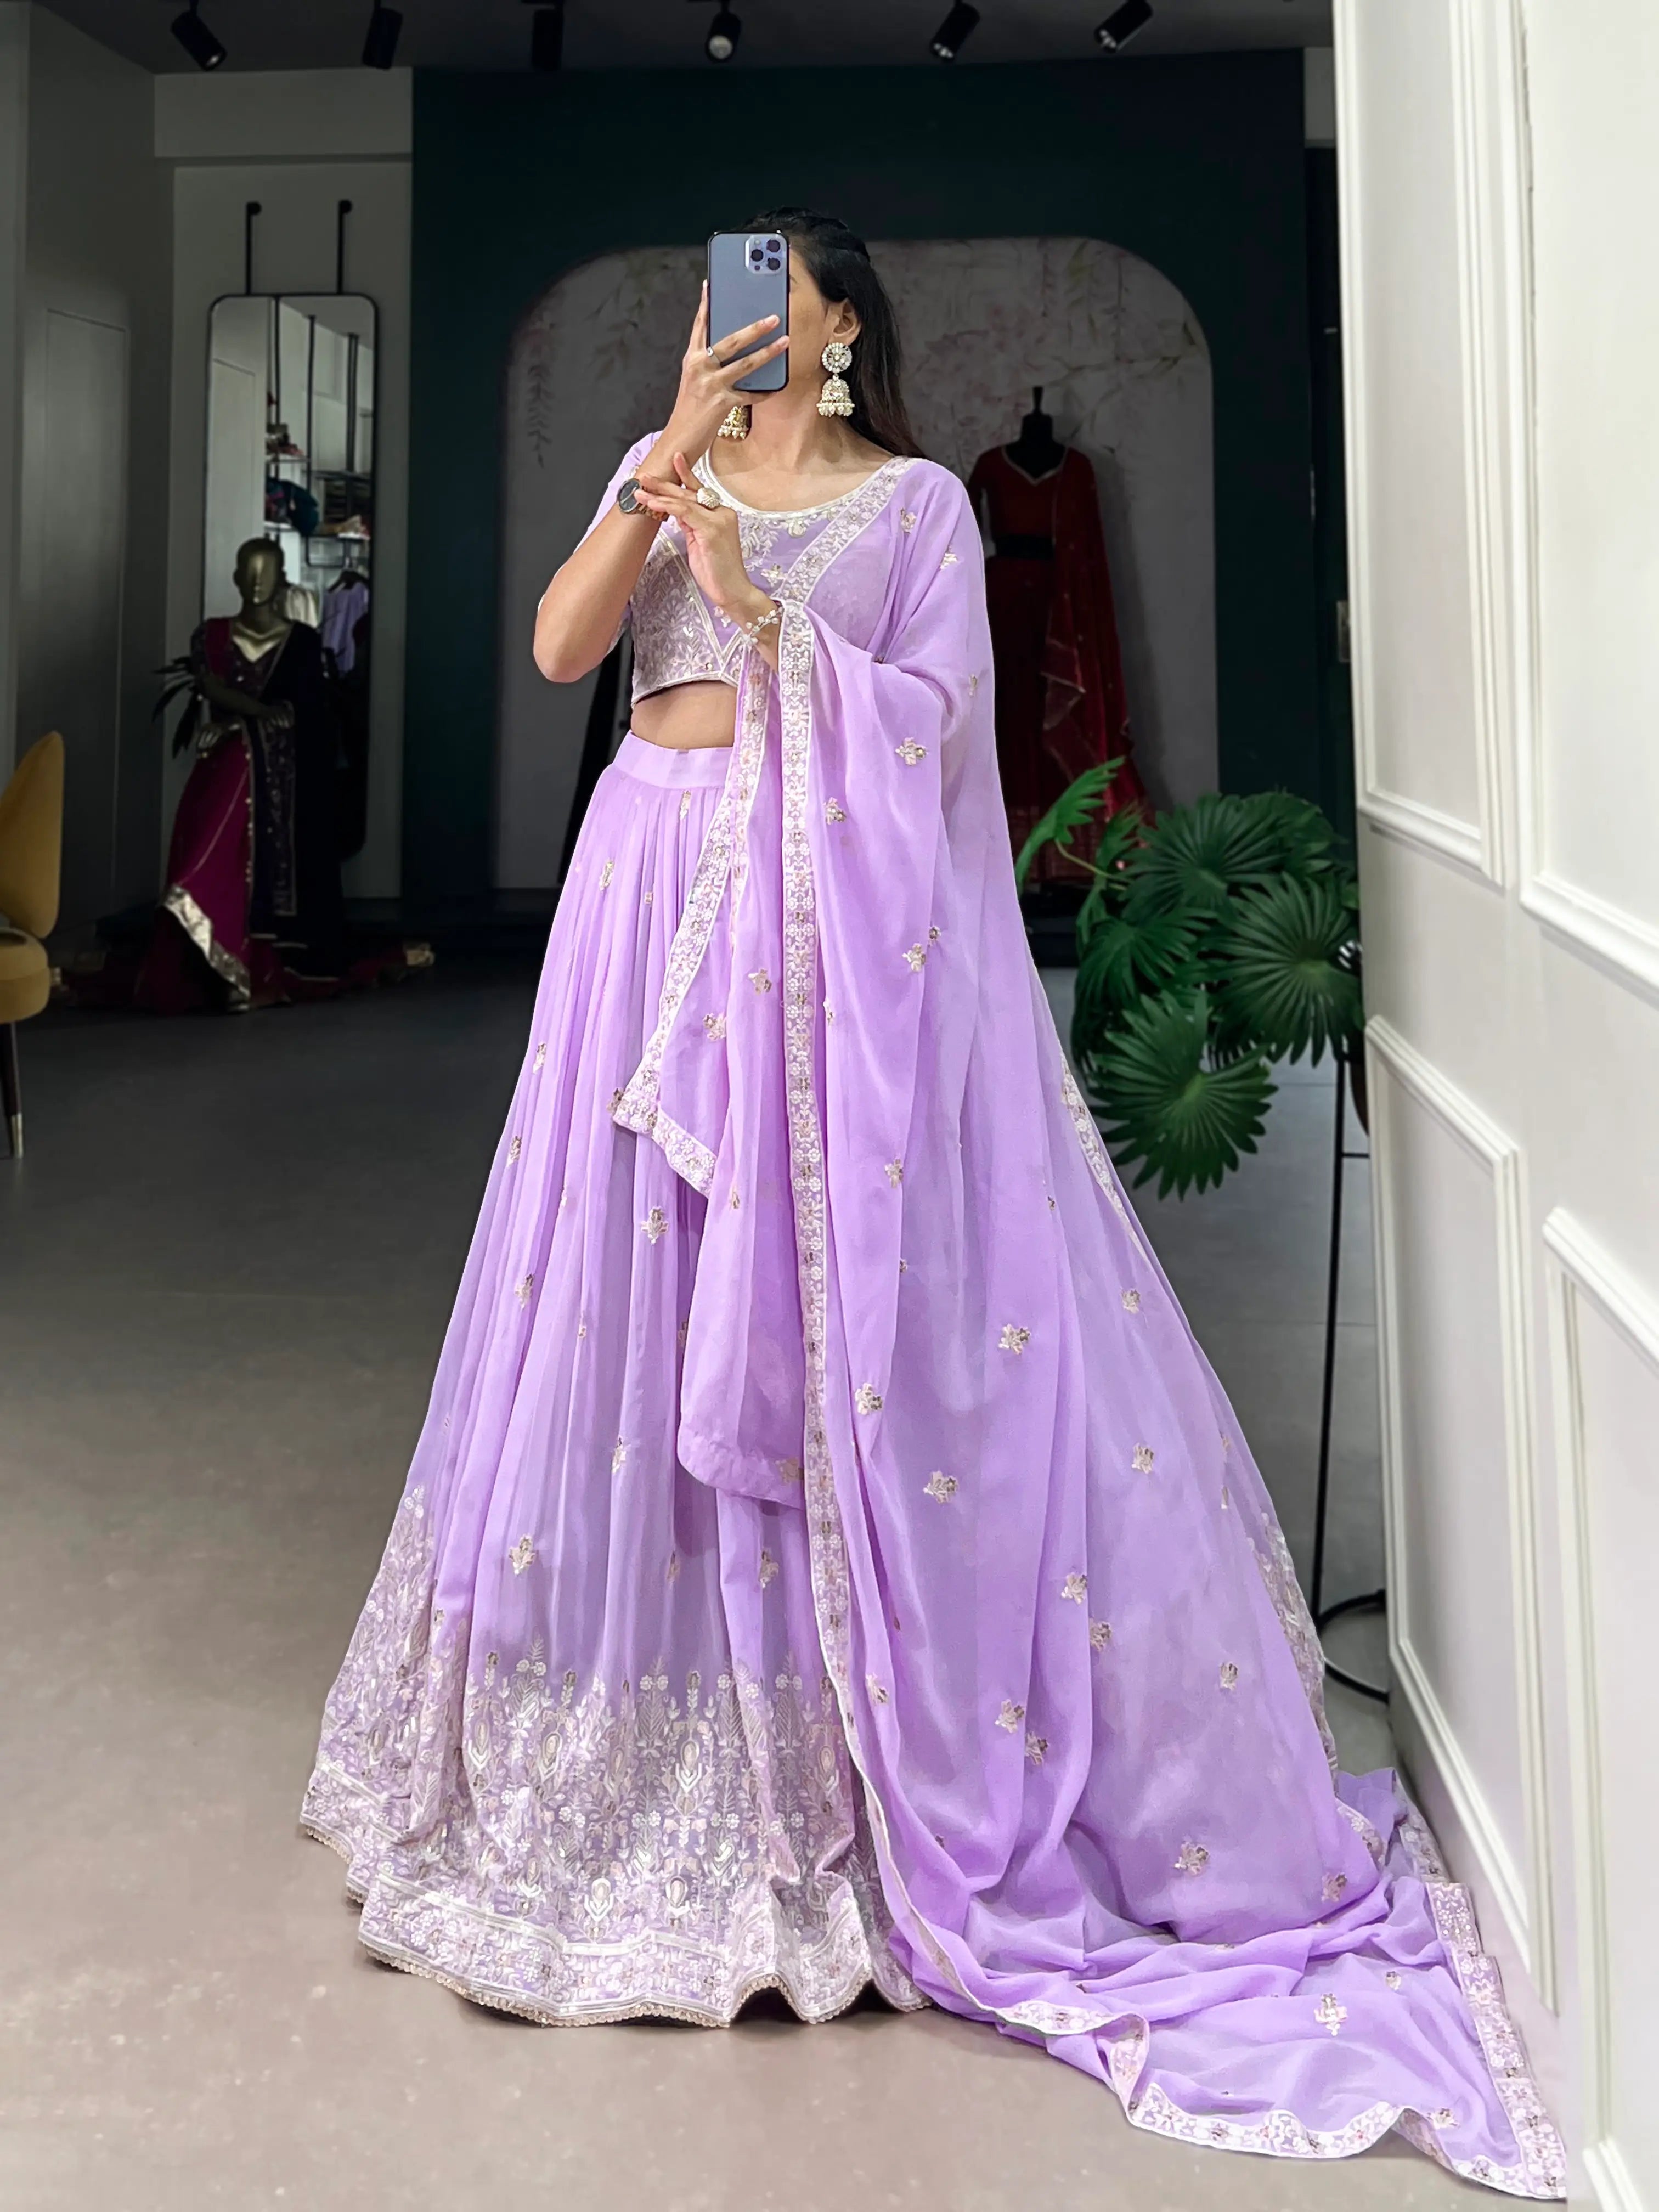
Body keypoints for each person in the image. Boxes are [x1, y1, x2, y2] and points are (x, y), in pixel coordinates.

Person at [302, 211, 1562, 2196]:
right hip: (642, 902)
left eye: (777, 306)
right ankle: (627, 1749)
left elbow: (946, 746)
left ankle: (827, 1771)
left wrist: (771, 616)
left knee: (793, 1316)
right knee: (618, 1300)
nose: (740, 329)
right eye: (721, 304)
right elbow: (562, 650)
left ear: (843, 332)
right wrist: (665, 471)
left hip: (808, 943)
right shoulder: (668, 462)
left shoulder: (913, 511)